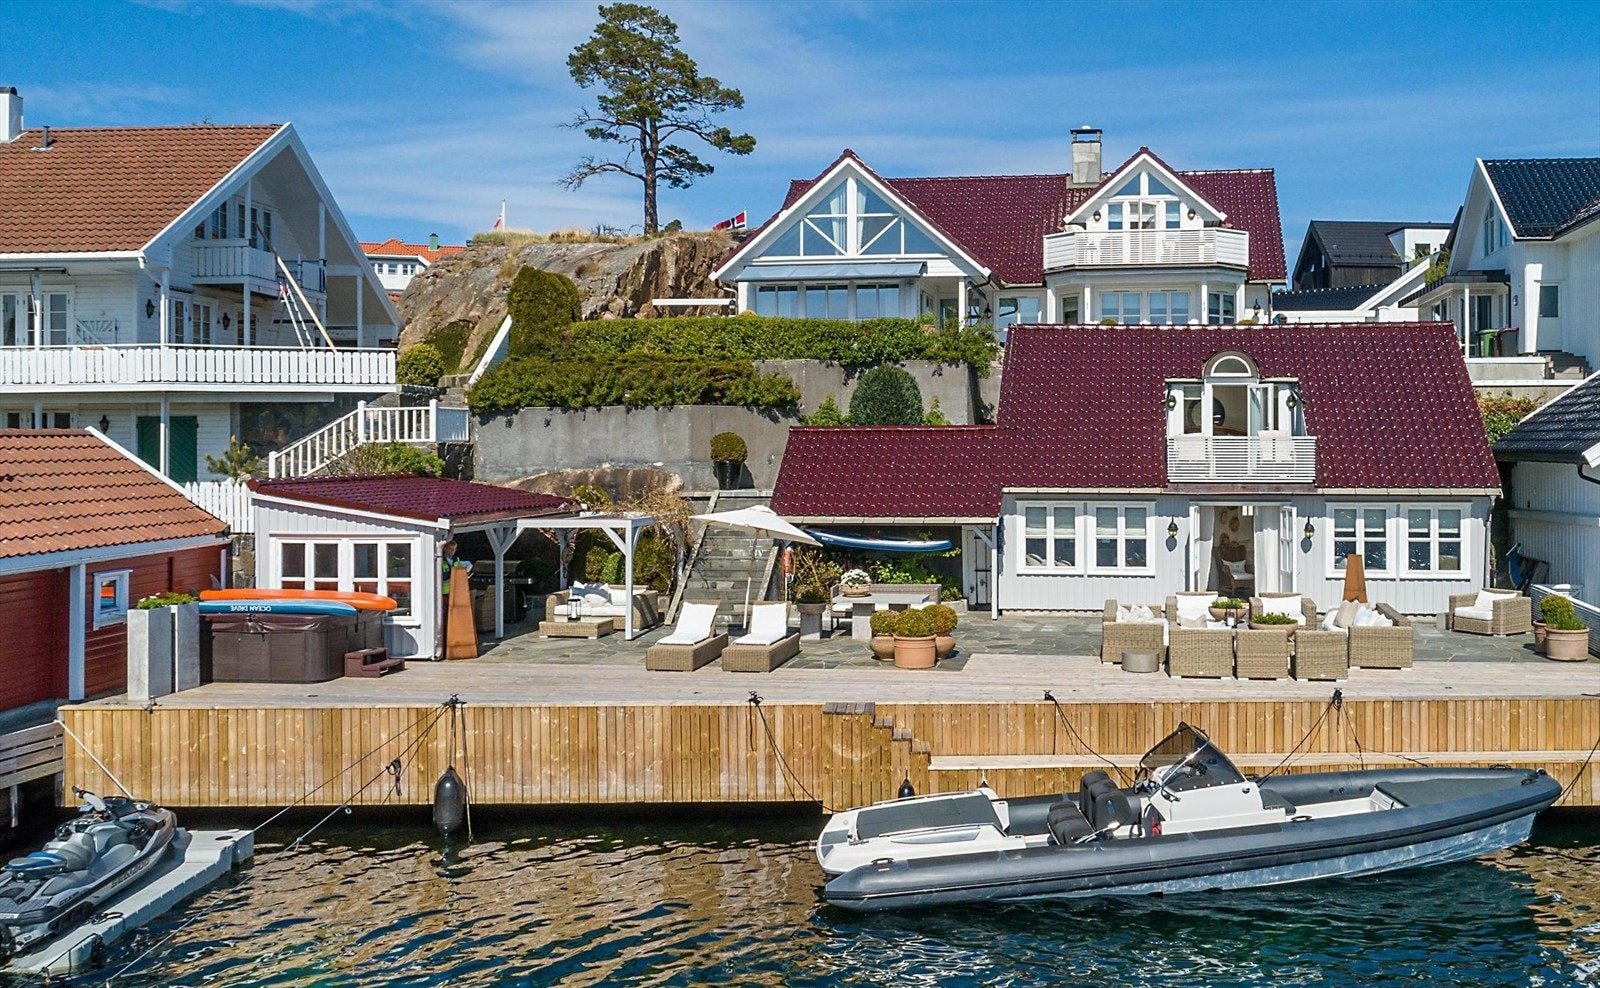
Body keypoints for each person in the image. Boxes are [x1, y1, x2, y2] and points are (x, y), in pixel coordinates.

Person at [435, 539, 473, 657]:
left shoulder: (457, 560)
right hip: (444, 594)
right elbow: (443, 575)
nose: (453, 552)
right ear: (445, 548)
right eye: (451, 549)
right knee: (445, 618)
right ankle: (445, 642)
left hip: (456, 592)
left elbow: (463, 569)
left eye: (454, 549)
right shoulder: (441, 560)